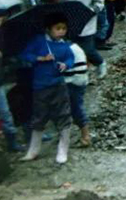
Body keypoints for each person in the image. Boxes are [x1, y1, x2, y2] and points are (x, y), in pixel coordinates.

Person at [19, 12, 74, 164]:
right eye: (58, 28)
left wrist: (66, 65)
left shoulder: (64, 45)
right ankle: (33, 150)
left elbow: (70, 58)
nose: (61, 31)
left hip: (59, 85)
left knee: (63, 115)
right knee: (39, 116)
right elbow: (25, 54)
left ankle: (62, 149)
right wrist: (40, 58)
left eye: (64, 28)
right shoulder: (39, 41)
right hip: (40, 85)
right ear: (48, 29)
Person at [60, 0, 106, 78]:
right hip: (71, 23)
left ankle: (100, 62)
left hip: (87, 22)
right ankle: (80, 71)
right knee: (74, 49)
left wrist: (91, 11)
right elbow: (62, 4)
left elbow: (100, 2)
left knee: (88, 48)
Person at [63, 41, 91, 147]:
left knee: (75, 108)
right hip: (78, 80)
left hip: (72, 81)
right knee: (75, 107)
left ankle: (85, 136)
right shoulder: (75, 47)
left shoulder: (66, 49)